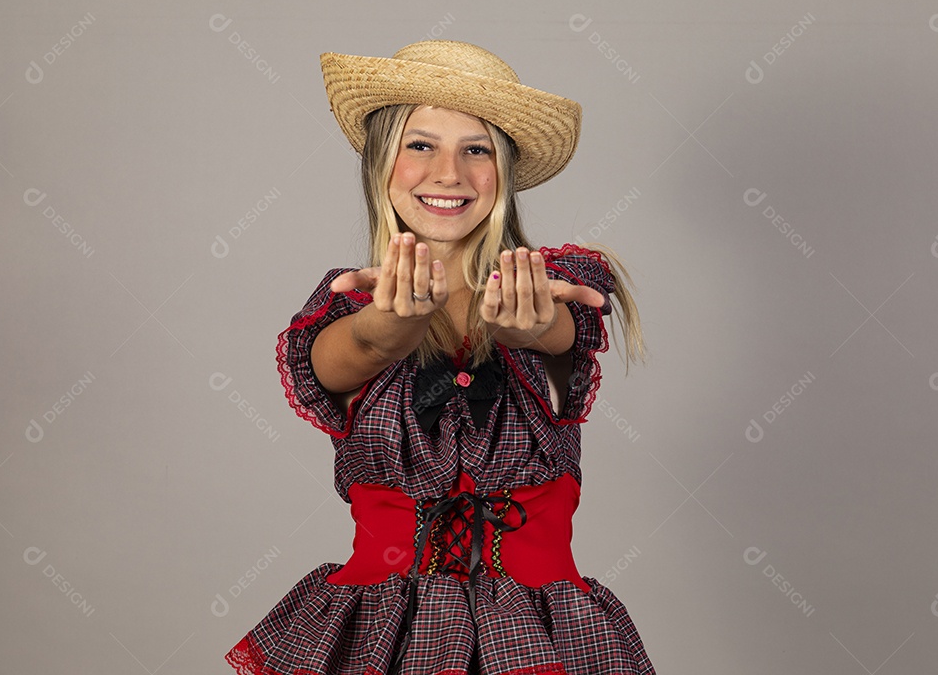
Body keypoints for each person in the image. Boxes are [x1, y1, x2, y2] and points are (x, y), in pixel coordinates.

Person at [225, 39, 655, 675]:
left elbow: (563, 332)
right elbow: (353, 352)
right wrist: (392, 326)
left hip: (542, 642)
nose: (449, 172)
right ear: (381, 162)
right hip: (379, 643)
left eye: (475, 149)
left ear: (502, 172)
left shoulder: (552, 283)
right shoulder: (347, 305)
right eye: (420, 144)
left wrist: (532, 328)